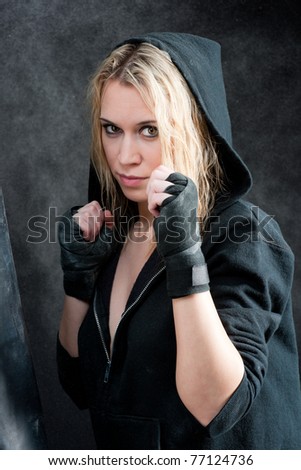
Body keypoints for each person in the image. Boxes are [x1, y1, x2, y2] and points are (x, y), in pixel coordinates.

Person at [56, 32, 301, 450]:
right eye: (111, 129)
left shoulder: (243, 235)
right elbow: (81, 384)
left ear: (192, 128)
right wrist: (79, 280)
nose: (124, 155)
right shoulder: (113, 230)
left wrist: (183, 253)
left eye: (149, 130)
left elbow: (218, 407)